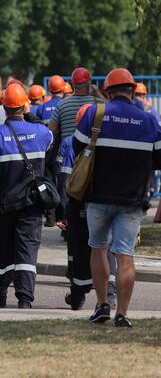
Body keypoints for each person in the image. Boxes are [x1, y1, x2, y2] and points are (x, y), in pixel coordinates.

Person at [73, 68, 161, 327]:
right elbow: (158, 160)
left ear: (108, 91)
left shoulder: (94, 113)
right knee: (125, 254)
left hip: (98, 195)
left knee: (98, 248)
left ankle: (101, 305)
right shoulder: (148, 121)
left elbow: (78, 148)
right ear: (133, 91)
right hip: (132, 199)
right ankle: (122, 314)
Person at [0, 83, 53, 309]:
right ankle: (25, 298)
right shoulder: (42, 133)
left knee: (1, 250)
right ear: (25, 106)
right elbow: (51, 139)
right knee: (27, 250)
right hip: (31, 204)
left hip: (0, 205)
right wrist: (33, 119)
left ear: (3, 108)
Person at [55, 104, 118, 311]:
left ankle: (78, 296)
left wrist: (62, 209)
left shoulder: (69, 142)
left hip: (79, 202)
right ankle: (109, 293)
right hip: (105, 199)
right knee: (106, 247)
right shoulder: (110, 140)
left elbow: (65, 177)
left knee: (79, 247)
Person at [49, 67, 102, 143]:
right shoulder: (98, 103)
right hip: (91, 152)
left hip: (68, 152)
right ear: (89, 83)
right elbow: (113, 109)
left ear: (72, 83)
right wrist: (99, 95)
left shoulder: (62, 104)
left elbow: (52, 130)